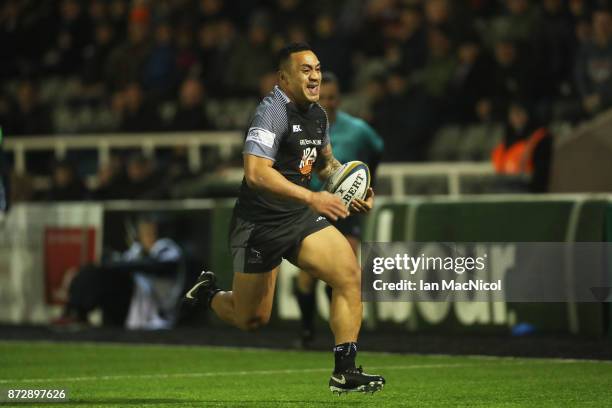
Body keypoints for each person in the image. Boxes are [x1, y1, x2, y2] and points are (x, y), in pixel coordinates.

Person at [184, 43, 385, 394]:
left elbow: (324, 164)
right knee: (252, 318)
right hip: (259, 224)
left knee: (350, 275)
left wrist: (351, 191)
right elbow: (256, 173)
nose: (315, 76)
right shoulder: (272, 112)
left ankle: (345, 371)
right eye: (305, 70)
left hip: (300, 217)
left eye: (318, 68)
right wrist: (312, 196)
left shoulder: (318, 114)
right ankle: (209, 293)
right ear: (284, 78)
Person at [293, 71, 383, 348]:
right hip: (313, 207)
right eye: (324, 97)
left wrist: (365, 186)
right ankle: (308, 331)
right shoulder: (305, 128)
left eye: (333, 97)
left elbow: (377, 151)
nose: (329, 102)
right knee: (306, 277)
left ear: (339, 99)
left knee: (344, 273)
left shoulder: (358, 129)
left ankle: (343, 339)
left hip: (345, 211)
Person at [54, 215, 183, 328]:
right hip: (134, 305)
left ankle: (76, 313)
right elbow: (120, 264)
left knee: (106, 274)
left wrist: (119, 264)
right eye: (144, 232)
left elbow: (156, 266)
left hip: (157, 309)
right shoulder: (137, 250)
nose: (148, 236)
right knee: (94, 272)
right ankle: (75, 313)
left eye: (151, 231)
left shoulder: (167, 248)